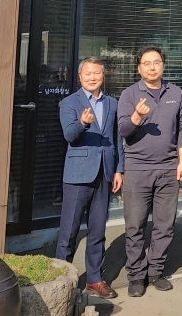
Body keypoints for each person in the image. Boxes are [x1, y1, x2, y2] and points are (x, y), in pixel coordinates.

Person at [117, 46, 182, 297]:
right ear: (139, 68)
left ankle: (155, 271)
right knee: (135, 226)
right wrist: (137, 116)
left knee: (165, 225)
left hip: (169, 168)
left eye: (156, 62)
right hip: (137, 169)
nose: (152, 67)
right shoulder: (129, 95)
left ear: (163, 65)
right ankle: (136, 276)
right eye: (146, 63)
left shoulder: (176, 92)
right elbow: (124, 130)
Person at [56, 56, 124, 299]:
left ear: (102, 76)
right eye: (88, 74)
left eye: (97, 73)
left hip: (104, 173)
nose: (93, 77)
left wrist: (119, 170)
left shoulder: (112, 103)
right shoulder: (69, 103)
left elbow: (117, 140)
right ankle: (61, 280)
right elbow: (69, 136)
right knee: (69, 232)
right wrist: (83, 123)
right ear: (79, 77)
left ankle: (95, 279)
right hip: (78, 175)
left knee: (97, 231)